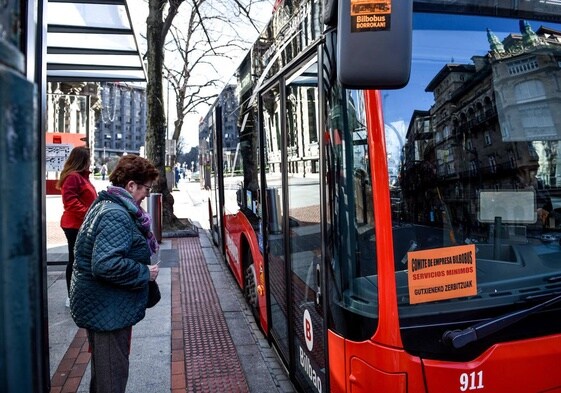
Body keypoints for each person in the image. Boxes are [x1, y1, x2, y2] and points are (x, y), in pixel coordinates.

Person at [69, 154, 160, 393]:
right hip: (107, 309)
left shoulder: (108, 204)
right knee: (112, 377)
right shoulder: (115, 214)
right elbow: (106, 264)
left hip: (103, 305)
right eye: (146, 188)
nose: (147, 195)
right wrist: (144, 272)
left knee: (104, 373)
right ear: (131, 186)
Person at [56, 146, 97, 308]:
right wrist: (88, 214)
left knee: (80, 259)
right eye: (88, 159)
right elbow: (70, 201)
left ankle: (79, 293)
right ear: (82, 160)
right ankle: (71, 296)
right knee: (75, 260)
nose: (90, 162)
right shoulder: (74, 177)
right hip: (75, 225)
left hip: (81, 224)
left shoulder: (82, 177)